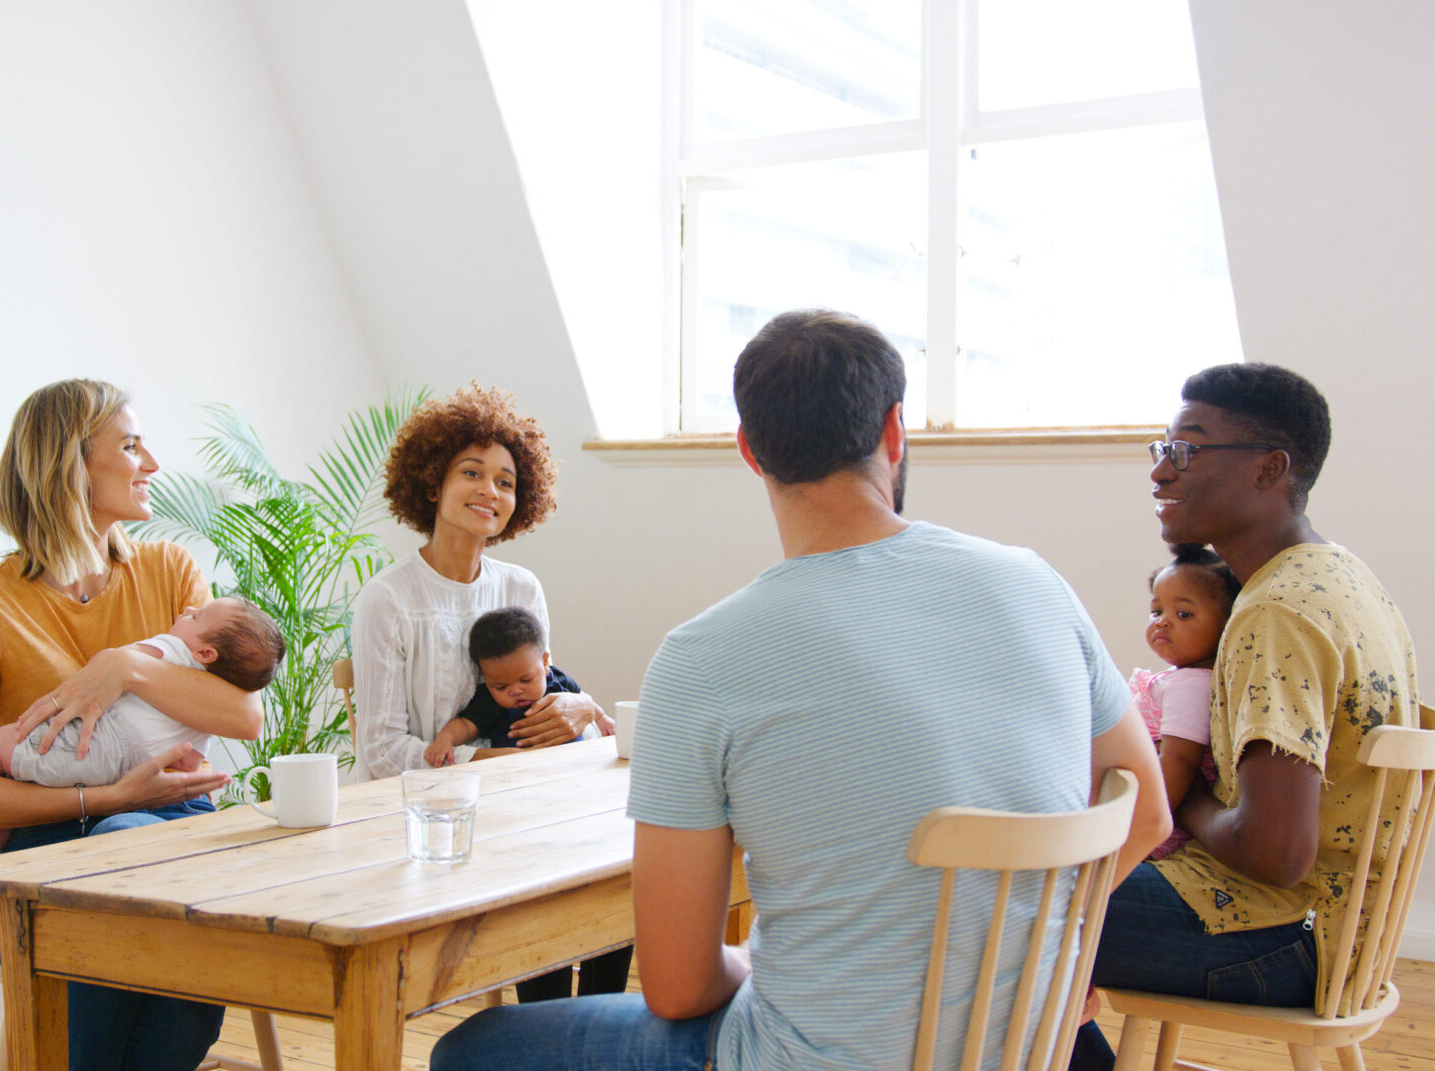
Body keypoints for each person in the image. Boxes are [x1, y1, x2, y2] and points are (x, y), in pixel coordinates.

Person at [430, 309, 1169, 1071]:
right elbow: (1146, 809)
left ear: (750, 449)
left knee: (472, 1050)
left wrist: (753, 963)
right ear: (894, 432)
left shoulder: (701, 657)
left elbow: (679, 987)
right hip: (1033, 1046)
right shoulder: (1035, 583)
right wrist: (1056, 949)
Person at [1072, 363, 1427, 1069]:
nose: (1161, 474)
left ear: (1270, 469)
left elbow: (1275, 853)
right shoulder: (1341, 574)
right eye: (1161, 451)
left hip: (1281, 934)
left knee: (993, 910)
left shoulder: (1275, 611)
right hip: (1344, 933)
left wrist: (1183, 789)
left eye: (1187, 450)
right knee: (1031, 896)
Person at [0, 379, 264, 1071]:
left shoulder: (169, 570)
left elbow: (242, 713)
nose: (153, 464)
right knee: (107, 867)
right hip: (50, 855)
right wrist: (104, 799)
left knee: (176, 1034)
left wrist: (121, 669)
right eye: (130, 445)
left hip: (170, 827)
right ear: (69, 465)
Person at [350, 383, 628, 1002]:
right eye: (472, 473)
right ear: (431, 483)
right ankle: (548, 1027)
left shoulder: (521, 587)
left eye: (505, 481)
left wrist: (581, 706)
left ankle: (594, 1026)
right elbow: (378, 752)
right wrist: (486, 765)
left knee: (620, 857)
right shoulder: (388, 599)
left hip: (529, 802)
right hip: (433, 818)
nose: (490, 492)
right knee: (551, 867)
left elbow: (541, 687)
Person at [0, 596, 284, 867]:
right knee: (125, 837)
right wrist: (114, 796)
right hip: (136, 778)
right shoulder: (204, 695)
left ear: (207, 653)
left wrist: (122, 664)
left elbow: (248, 719)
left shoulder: (171, 642)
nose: (188, 609)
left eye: (196, 616)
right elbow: (189, 762)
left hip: (95, 750)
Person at [1130, 545, 1238, 860]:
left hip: (1144, 823)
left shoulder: (1193, 686)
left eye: (1184, 614)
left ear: (1226, 626)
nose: (1163, 622)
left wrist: (1136, 832)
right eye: (1156, 611)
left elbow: (1179, 762)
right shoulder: (1180, 680)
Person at [424, 606, 584, 768]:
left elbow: (583, 702)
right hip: (519, 774)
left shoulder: (557, 680)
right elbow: (465, 725)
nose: (515, 691)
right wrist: (445, 738)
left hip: (573, 766)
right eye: (500, 687)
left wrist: (601, 719)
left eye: (526, 680)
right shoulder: (490, 702)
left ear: (544, 662)